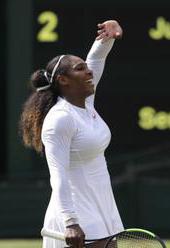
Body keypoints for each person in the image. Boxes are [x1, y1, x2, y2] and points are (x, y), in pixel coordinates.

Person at [19, 20, 124, 248]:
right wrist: (71, 221)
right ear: (63, 80)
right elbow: (58, 175)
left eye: (86, 68)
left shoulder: (86, 104)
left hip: (103, 205)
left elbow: (96, 59)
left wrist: (107, 36)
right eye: (79, 68)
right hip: (76, 213)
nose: (88, 72)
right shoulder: (60, 119)